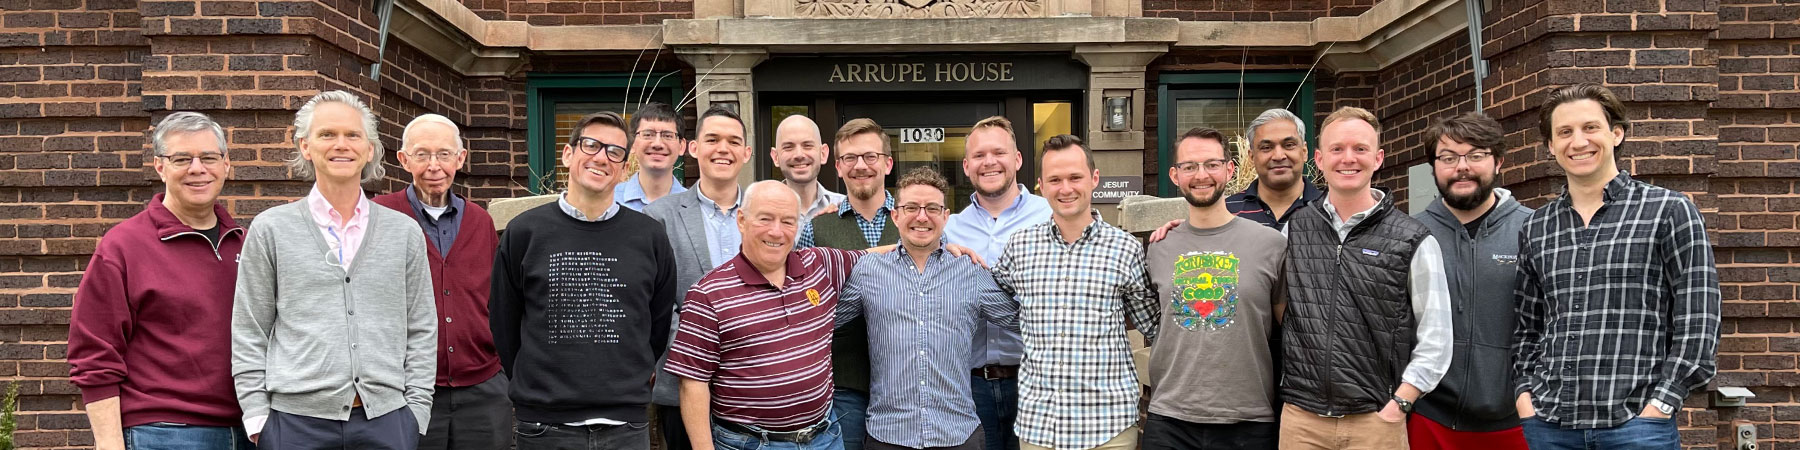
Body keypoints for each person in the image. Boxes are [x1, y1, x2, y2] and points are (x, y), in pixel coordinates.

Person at [1512, 83, 1720, 450]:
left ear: (1616, 133)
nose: (1578, 142)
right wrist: (1525, 396)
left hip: (1637, 427)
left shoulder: (1669, 211)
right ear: (1551, 146)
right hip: (1550, 426)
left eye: (1590, 127)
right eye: (1565, 132)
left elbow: (1698, 320)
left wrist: (1663, 402)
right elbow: (1527, 327)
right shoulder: (1537, 226)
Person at [231, 90, 436, 449]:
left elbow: (421, 326)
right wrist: (258, 417)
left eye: (352, 135)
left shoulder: (403, 232)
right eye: (327, 134)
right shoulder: (271, 229)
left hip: (387, 422)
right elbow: (250, 329)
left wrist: (415, 413)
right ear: (305, 146)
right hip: (294, 425)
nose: (341, 144)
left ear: (369, 149)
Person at [489, 111, 681, 449]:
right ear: (568, 154)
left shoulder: (650, 237)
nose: (601, 158)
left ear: (625, 169)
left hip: (625, 427)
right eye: (591, 145)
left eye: (615, 152)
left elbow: (657, 323)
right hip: (545, 427)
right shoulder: (525, 232)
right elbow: (504, 323)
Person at [68, 112, 253, 450]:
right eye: (181, 159)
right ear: (160, 166)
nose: (197, 168)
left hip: (249, 429)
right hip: (163, 432)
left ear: (226, 164)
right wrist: (110, 443)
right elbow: (94, 353)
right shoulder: (124, 246)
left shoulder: (247, 243)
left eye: (209, 157)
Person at [1276, 106, 1453, 450]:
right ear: (1319, 159)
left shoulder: (1412, 238)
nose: (1348, 159)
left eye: (1360, 148)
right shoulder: (1294, 229)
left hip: (1376, 421)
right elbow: (1276, 302)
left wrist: (1400, 402)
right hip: (1302, 421)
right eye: (1337, 149)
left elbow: (1437, 335)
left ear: (1378, 158)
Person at [666, 180, 874, 450]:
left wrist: (928, 245)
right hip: (751, 443)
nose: (776, 232)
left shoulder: (820, 265)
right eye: (765, 219)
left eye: (787, 221)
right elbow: (692, 383)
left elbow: (873, 256)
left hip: (825, 438)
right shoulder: (708, 294)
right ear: (742, 220)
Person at [994, 134, 1159, 450]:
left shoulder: (1125, 249)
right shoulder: (1020, 246)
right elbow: (993, 295)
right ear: (1041, 185)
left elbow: (1154, 324)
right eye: (1055, 180)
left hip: (1108, 427)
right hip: (1040, 426)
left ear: (1094, 179)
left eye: (1075, 177)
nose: (1065, 188)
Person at [835, 166, 1018, 450]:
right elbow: (820, 322)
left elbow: (1023, 322)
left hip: (957, 434)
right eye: (911, 207)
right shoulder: (868, 271)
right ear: (895, 215)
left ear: (946, 216)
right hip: (888, 434)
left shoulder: (970, 271)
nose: (922, 217)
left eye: (932, 208)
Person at [1142, 128, 1287, 450]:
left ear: (1230, 169)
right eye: (1189, 166)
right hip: (1170, 418)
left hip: (1248, 419)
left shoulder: (1270, 244)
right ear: (1175, 175)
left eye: (1212, 164)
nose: (1201, 175)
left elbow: (1293, 330)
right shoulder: (1159, 247)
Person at [371, 114, 509, 450]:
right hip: (406, 390)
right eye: (422, 154)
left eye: (444, 154)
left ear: (460, 159)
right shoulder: (379, 217)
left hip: (482, 388)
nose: (434, 166)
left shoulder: (481, 221)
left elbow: (498, 300)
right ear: (404, 160)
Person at [1407, 112, 1532, 450]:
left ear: (1498, 161)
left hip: (1516, 421)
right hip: (1428, 418)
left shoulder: (1534, 231)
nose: (1462, 167)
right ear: (1433, 167)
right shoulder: (1410, 234)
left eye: (1476, 155)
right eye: (1448, 158)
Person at [645, 105, 755, 450]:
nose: (723, 149)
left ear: (746, 153)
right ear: (693, 148)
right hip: (683, 383)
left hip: (755, 387)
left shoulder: (765, 215)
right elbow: (655, 303)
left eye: (733, 141)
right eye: (712, 139)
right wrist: (704, 346)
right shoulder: (659, 216)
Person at [941, 116, 1051, 450]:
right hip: (969, 386)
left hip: (1038, 381)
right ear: (966, 166)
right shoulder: (949, 228)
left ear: (1017, 159)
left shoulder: (1051, 216)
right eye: (979, 155)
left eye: (998, 152)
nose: (989, 162)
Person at [795, 118, 900, 450]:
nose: (861, 166)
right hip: (842, 386)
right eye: (850, 158)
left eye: (870, 156)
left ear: (887, 163)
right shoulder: (816, 229)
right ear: (838, 167)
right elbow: (800, 303)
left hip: (906, 385)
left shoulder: (916, 221)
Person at [1227, 108, 1325, 232]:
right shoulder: (1227, 212)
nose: (1278, 156)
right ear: (1251, 157)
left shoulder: (1331, 211)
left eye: (1289, 145)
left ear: (1304, 152)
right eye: (1266, 147)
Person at [616, 102, 688, 211]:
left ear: (681, 146)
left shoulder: (695, 206)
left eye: (667, 135)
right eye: (648, 134)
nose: (657, 144)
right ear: (632, 143)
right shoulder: (610, 201)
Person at [773, 114, 848, 217]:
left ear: (823, 154)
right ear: (775, 157)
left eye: (807, 146)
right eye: (788, 147)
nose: (799, 155)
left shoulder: (846, 209)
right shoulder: (758, 210)